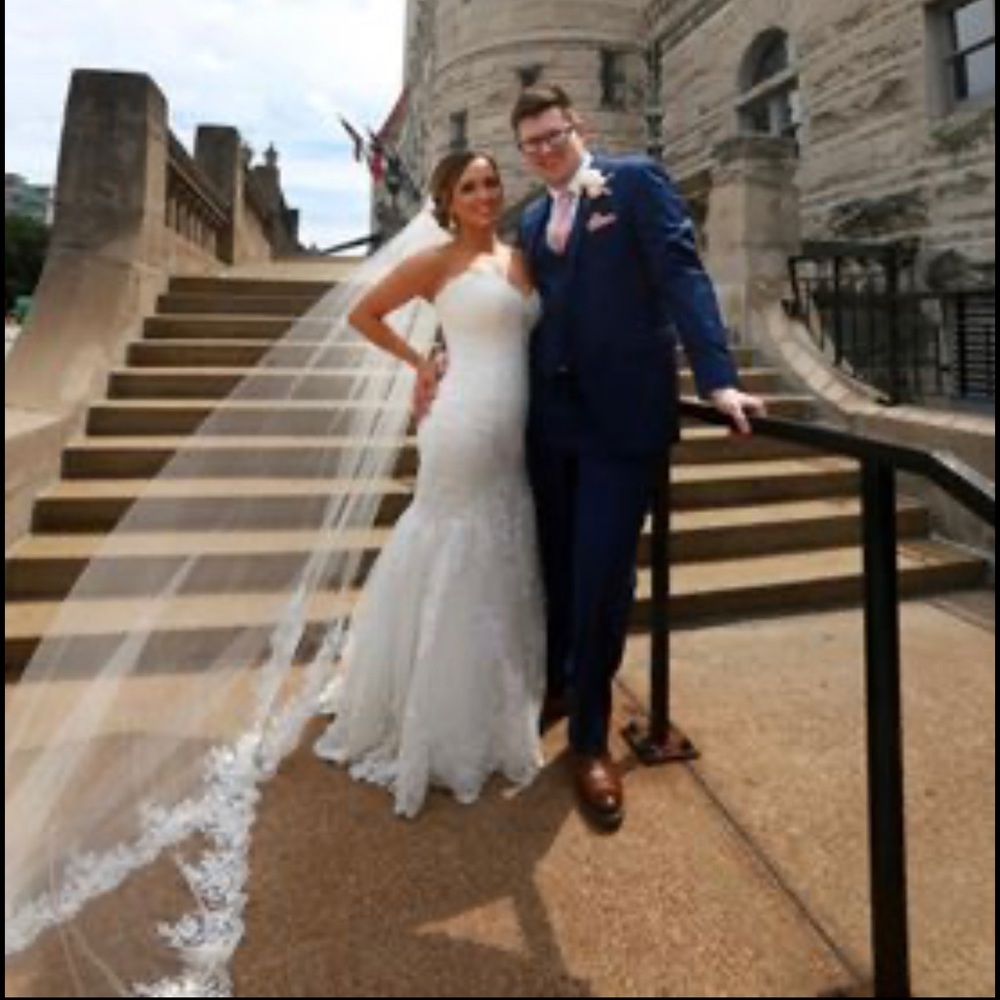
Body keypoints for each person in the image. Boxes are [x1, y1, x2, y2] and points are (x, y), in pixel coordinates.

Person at [416, 85, 765, 832]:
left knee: (603, 574)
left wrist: (719, 378)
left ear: (580, 129)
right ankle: (563, 684)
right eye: (531, 143)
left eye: (554, 134)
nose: (545, 149)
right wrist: (444, 354)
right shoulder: (535, 220)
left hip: (622, 424)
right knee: (557, 567)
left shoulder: (633, 183)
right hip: (549, 423)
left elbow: (682, 275)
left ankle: (588, 743)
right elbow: (513, 310)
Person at [314, 150, 547, 818]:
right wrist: (420, 361)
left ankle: (493, 697)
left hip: (513, 434)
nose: (483, 193)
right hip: (460, 423)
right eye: (468, 186)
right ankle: (435, 717)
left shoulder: (521, 258)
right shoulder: (439, 261)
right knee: (454, 549)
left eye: (491, 182)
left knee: (497, 552)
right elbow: (364, 313)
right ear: (446, 200)